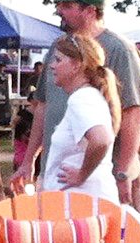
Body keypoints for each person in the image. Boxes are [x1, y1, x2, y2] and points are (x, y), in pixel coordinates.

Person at [17, 0, 140, 201]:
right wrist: (29, 161)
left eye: (67, 5)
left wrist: (123, 172)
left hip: (92, 182)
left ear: (90, 10)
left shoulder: (119, 49)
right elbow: (43, 107)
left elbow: (133, 114)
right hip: (57, 175)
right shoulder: (60, 48)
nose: (59, 10)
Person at [39, 30, 121, 203]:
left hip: (79, 206)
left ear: (77, 65)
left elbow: (101, 139)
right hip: (83, 204)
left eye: (58, 60)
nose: (52, 66)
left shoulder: (82, 98)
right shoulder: (88, 97)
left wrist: (81, 175)